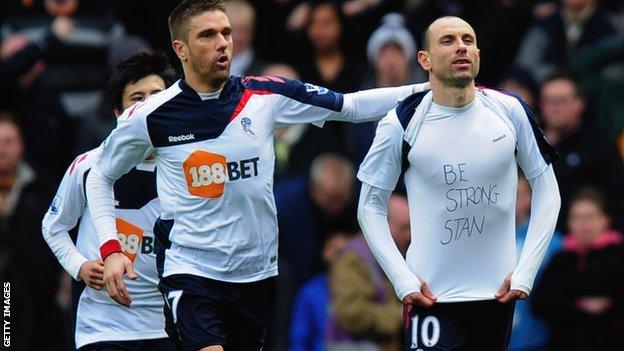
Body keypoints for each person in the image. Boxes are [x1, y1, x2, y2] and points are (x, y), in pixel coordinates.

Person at [85, 1, 428, 351]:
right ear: (181, 49)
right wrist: (111, 248)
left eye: (226, 33)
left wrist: (430, 89)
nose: (222, 42)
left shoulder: (264, 95)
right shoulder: (150, 115)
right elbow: (98, 176)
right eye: (208, 35)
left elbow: (351, 106)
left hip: (255, 275)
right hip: (190, 272)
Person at [357, 16, 561, 350]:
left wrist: (526, 270)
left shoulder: (510, 110)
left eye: (468, 39)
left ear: (478, 53)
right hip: (430, 298)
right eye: (448, 40)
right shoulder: (401, 121)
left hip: (498, 296)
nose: (461, 46)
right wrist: (402, 280)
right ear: (424, 59)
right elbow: (369, 205)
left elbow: (547, 189)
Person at [41, 51, 177, 351]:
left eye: (157, 95)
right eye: (137, 98)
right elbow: (53, 226)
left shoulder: (186, 166)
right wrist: (79, 266)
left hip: (169, 323)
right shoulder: (89, 165)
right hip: (104, 326)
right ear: (119, 113)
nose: (148, 105)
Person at [532, 188, 624, 351]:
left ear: (605, 220)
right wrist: (581, 305)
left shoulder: (617, 255)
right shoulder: (560, 258)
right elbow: (540, 302)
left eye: (589, 217)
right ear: (568, 223)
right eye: (576, 218)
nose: (583, 224)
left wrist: (568, 295)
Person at [328, 194, 411, 351]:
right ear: (382, 225)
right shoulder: (351, 260)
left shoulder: (395, 256)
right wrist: (403, 314)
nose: (409, 235)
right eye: (404, 228)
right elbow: (352, 313)